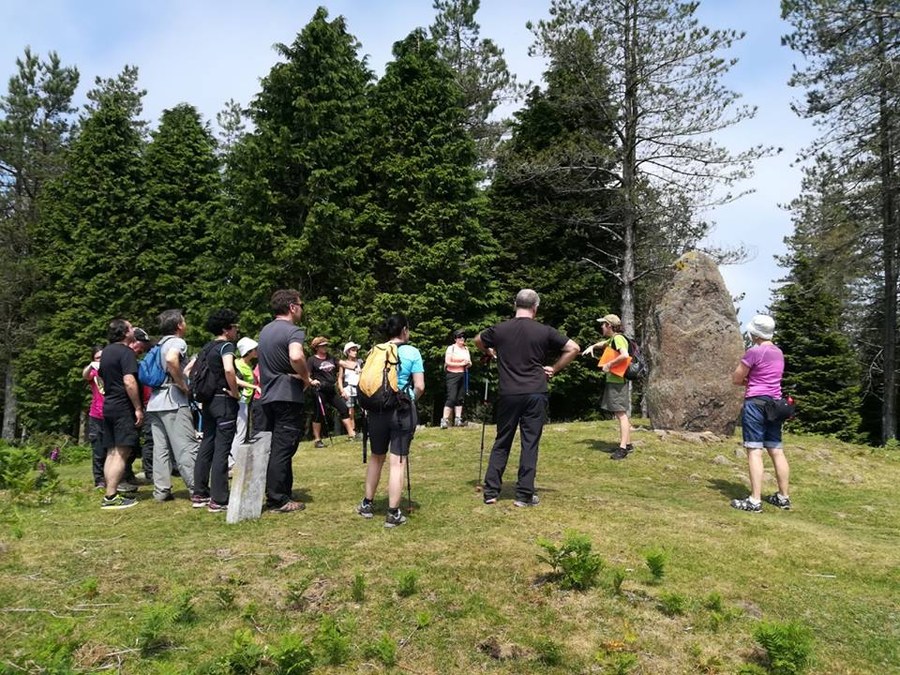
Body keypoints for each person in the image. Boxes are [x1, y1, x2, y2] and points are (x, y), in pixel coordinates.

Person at [474, 289, 580, 506]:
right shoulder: (544, 331)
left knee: (502, 440)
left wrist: (491, 352)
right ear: (535, 307)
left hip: (508, 393)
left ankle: (491, 491)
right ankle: (524, 495)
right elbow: (573, 348)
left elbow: (477, 340)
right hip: (535, 391)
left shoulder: (500, 329)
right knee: (529, 443)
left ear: (515, 305)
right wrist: (554, 368)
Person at [356, 314, 425, 528]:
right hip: (401, 411)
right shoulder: (412, 352)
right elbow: (420, 386)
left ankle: (367, 503)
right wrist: (410, 398)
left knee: (377, 457)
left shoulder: (376, 351)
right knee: (398, 461)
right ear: (404, 330)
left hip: (376, 410)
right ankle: (393, 513)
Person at [257, 289, 312, 513]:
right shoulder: (293, 331)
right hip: (287, 396)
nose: (301, 309)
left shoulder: (265, 331)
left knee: (277, 447)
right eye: (301, 305)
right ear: (291, 307)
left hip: (268, 395)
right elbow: (296, 356)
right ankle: (277, 499)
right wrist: (306, 377)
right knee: (283, 448)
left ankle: (282, 492)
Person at [730, 314, 792, 513]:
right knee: (776, 450)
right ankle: (783, 497)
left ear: (755, 332)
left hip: (755, 403)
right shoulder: (779, 352)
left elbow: (737, 378)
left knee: (754, 450)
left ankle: (754, 500)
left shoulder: (754, 352)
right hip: (775, 405)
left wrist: (748, 382)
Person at [145, 309, 199, 502]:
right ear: (178, 326)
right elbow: (171, 360)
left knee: (161, 449)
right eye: (184, 321)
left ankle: (161, 491)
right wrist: (182, 384)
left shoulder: (159, 344)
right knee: (185, 446)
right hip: (173, 401)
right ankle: (197, 489)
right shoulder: (177, 342)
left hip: (155, 402)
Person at [191, 309, 241, 513]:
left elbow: (189, 371)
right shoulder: (226, 346)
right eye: (235, 326)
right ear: (226, 329)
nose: (237, 330)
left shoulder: (207, 347)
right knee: (222, 448)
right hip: (224, 402)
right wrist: (235, 392)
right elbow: (229, 369)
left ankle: (200, 492)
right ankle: (219, 499)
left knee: (207, 444)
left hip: (208, 402)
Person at [97, 318, 142, 509]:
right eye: (131, 327)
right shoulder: (126, 352)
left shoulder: (106, 352)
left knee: (112, 451)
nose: (133, 330)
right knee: (122, 452)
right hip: (123, 406)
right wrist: (138, 407)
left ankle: (111, 491)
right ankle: (111, 497)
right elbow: (129, 381)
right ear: (125, 333)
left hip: (108, 405)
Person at [583, 314, 633, 460]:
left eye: (603, 324)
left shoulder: (618, 339)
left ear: (609, 326)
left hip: (617, 382)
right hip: (616, 381)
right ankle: (628, 444)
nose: (601, 327)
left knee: (621, 414)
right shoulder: (613, 339)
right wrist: (593, 346)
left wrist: (609, 365)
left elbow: (624, 355)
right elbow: (604, 344)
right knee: (620, 413)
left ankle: (623, 449)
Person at [308, 336, 355, 446]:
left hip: (331, 390)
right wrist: (311, 381)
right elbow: (307, 375)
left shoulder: (330, 357)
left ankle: (352, 434)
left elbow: (342, 363)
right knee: (318, 414)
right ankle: (317, 440)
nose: (325, 347)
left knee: (343, 408)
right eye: (322, 346)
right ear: (316, 347)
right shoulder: (312, 360)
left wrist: (354, 367)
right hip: (319, 390)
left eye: (326, 345)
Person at [231, 336, 260, 456]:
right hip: (240, 401)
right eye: (254, 349)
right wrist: (255, 387)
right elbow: (236, 380)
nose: (256, 351)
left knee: (242, 431)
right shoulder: (238, 364)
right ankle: (232, 462)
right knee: (240, 433)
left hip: (246, 401)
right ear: (248, 351)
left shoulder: (247, 365)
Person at [82, 345, 106, 489]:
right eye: (98, 358)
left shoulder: (112, 369)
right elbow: (84, 375)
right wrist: (91, 365)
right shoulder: (93, 372)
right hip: (96, 415)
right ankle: (99, 480)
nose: (101, 360)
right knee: (98, 449)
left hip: (112, 413)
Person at [441, 329, 472, 428]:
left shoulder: (466, 349)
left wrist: (468, 364)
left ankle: (458, 419)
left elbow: (469, 361)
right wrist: (460, 364)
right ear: (455, 339)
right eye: (459, 337)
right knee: (452, 397)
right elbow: (448, 362)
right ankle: (445, 419)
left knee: (460, 397)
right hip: (452, 374)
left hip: (463, 374)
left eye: (463, 337)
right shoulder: (451, 348)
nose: (462, 339)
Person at [339, 341, 361, 438]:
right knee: (350, 411)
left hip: (360, 388)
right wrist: (342, 390)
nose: (355, 352)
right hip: (349, 388)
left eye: (356, 350)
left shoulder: (360, 362)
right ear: (348, 352)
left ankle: (365, 429)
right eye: (353, 350)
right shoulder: (343, 364)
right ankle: (352, 432)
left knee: (364, 409)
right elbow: (340, 378)